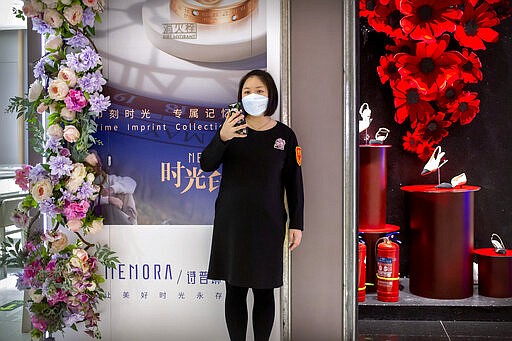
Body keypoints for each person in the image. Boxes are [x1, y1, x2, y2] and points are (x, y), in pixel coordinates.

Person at [200, 69, 304, 341]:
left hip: (268, 223)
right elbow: (206, 164)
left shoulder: (285, 135)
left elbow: (294, 183)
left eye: (259, 91)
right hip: (232, 221)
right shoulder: (231, 130)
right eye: (247, 92)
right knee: (234, 288)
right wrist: (222, 137)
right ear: (240, 97)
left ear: (270, 97)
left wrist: (297, 224)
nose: (253, 96)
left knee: (264, 289)